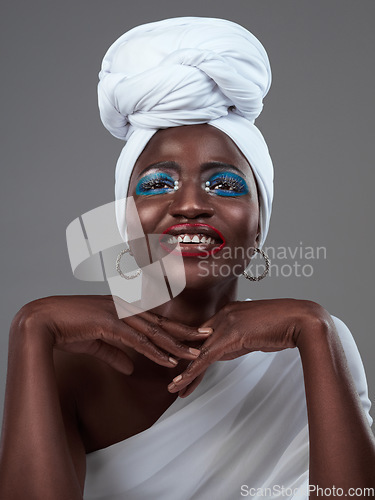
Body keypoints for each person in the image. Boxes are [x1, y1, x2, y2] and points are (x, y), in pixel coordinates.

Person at [0, 17, 374, 500]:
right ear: (125, 222)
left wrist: (314, 327)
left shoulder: (311, 346)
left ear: (259, 224)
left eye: (225, 184)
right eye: (158, 184)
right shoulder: (72, 363)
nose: (192, 204)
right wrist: (30, 329)